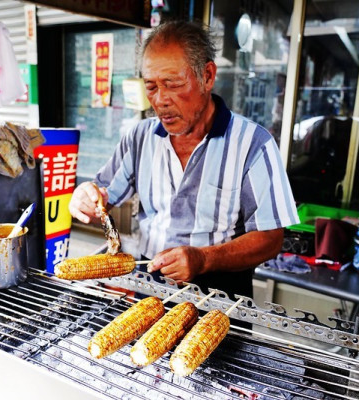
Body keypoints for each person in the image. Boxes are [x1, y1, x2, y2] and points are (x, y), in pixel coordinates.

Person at [69, 20, 300, 300]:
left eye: (173, 84)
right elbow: (102, 196)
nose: (161, 100)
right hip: (150, 285)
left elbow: (270, 239)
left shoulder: (253, 143)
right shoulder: (139, 136)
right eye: (151, 87)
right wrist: (86, 198)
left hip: (220, 295)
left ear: (208, 76)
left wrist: (204, 259)